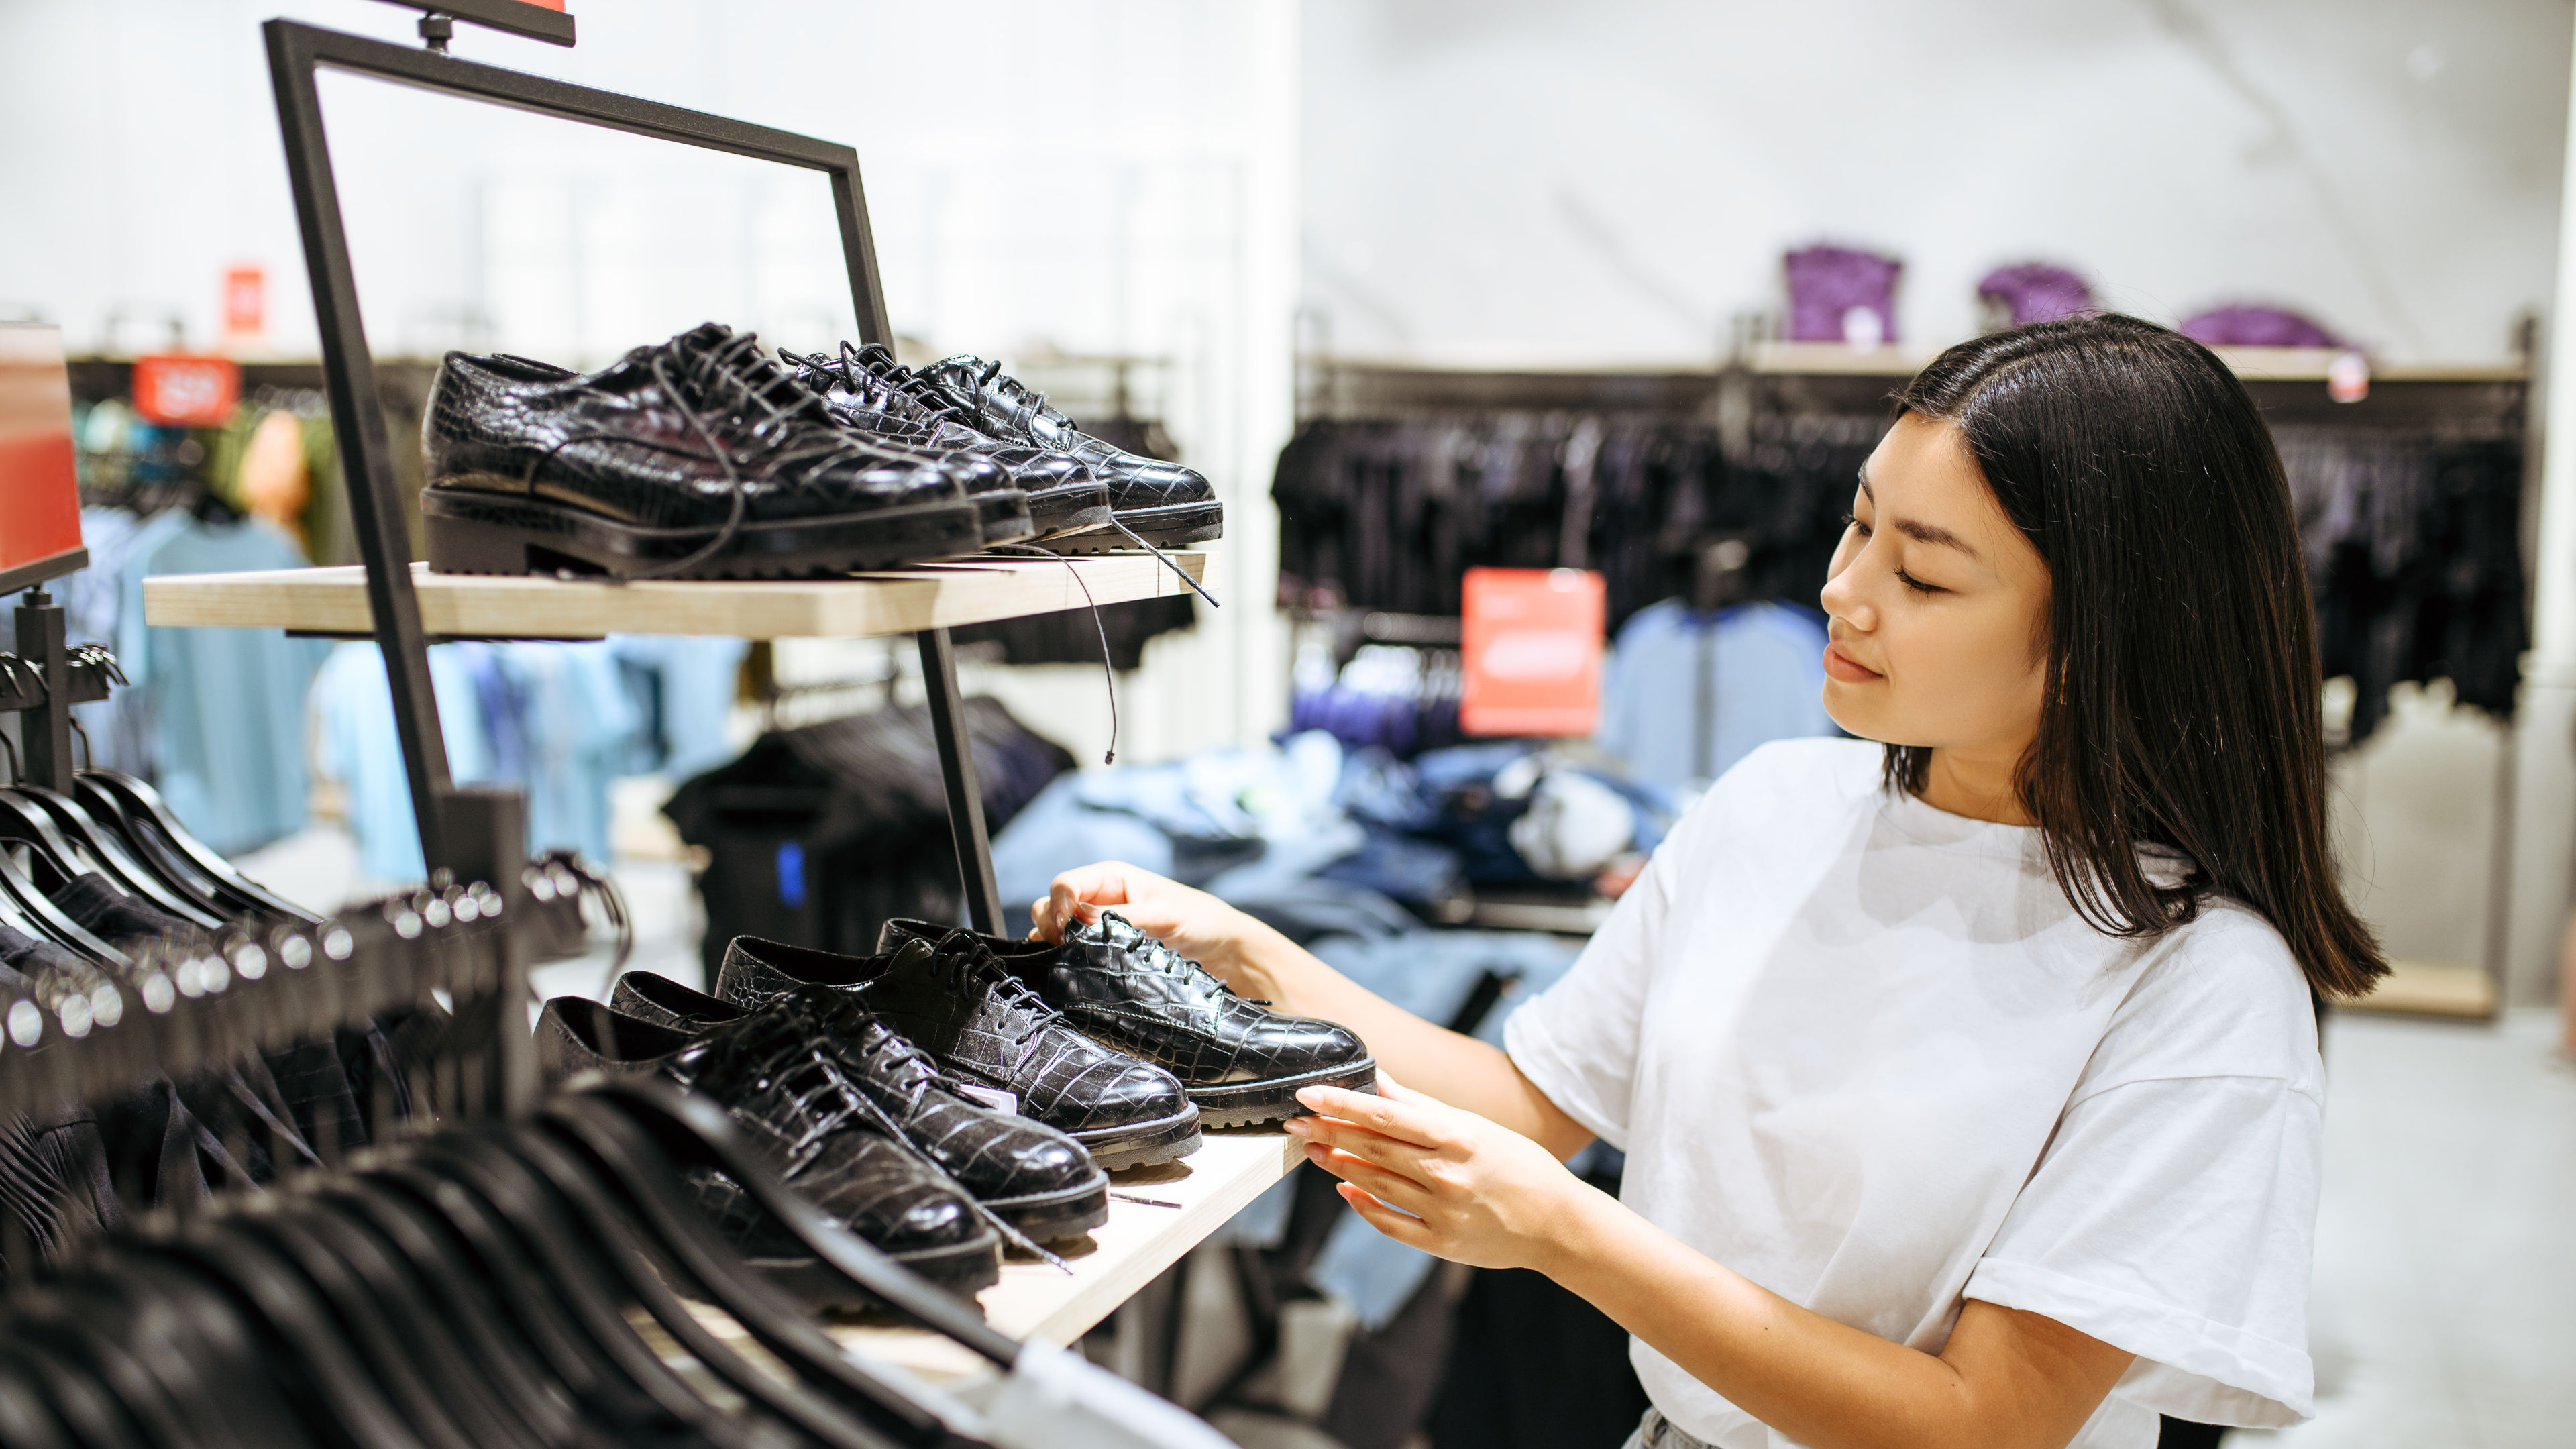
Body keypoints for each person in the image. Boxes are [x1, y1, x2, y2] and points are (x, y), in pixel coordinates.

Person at [1033, 314, 2380, 1449]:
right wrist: (1247, 960)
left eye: (1921, 571)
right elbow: (1539, 1103)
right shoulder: (1778, 804)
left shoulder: (2204, 986)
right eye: (1857, 529)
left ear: (2104, 632)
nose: (1843, 592)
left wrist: (1569, 1239)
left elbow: (1987, 1425)